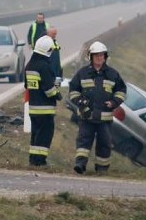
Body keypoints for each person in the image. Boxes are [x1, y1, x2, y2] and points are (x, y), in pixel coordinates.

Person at [69, 41, 126, 175]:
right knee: (83, 141)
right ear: (91, 57)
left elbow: (122, 91)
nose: (99, 58)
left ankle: (102, 169)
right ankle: (80, 165)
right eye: (96, 56)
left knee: (105, 143)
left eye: (101, 56)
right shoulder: (82, 73)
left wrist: (114, 102)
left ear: (105, 57)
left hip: (104, 119)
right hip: (86, 116)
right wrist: (80, 101)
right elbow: (73, 91)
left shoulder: (113, 74)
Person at [25, 35, 60, 166]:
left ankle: (33, 160)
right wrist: (57, 93)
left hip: (33, 107)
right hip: (45, 109)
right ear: (48, 51)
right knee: (44, 136)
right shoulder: (44, 66)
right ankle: (40, 161)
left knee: (35, 135)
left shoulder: (29, 65)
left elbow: (27, 85)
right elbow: (49, 90)